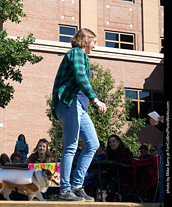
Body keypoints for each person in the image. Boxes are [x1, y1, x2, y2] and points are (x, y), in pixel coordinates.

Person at [51, 28, 107, 202]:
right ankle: (65, 190)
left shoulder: (82, 57)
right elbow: (80, 77)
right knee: (71, 146)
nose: (95, 46)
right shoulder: (76, 53)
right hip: (69, 103)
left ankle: (76, 186)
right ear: (85, 40)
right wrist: (95, 100)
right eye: (94, 42)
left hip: (76, 108)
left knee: (92, 144)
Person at [106, 134, 135, 201]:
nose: (111, 144)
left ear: (118, 142)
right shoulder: (111, 154)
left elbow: (121, 163)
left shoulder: (125, 150)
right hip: (116, 177)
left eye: (113, 141)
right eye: (110, 142)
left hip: (127, 178)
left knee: (112, 185)